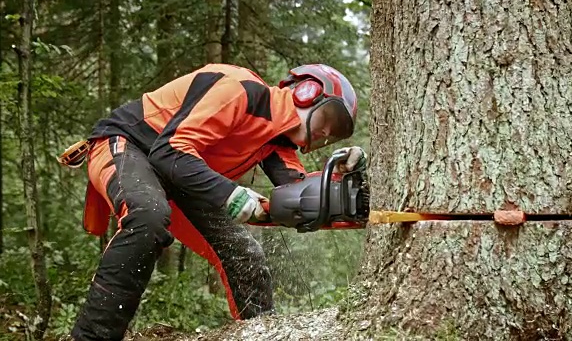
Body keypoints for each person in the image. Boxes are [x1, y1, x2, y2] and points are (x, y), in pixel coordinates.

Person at [56, 63, 366, 340]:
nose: (325, 133)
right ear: (306, 93)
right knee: (147, 215)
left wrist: (338, 177)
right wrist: (230, 194)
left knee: (245, 254)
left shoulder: (276, 145)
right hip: (129, 144)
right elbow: (169, 150)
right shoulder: (238, 89)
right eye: (327, 119)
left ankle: (258, 333)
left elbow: (298, 198)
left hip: (179, 177)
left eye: (333, 134)